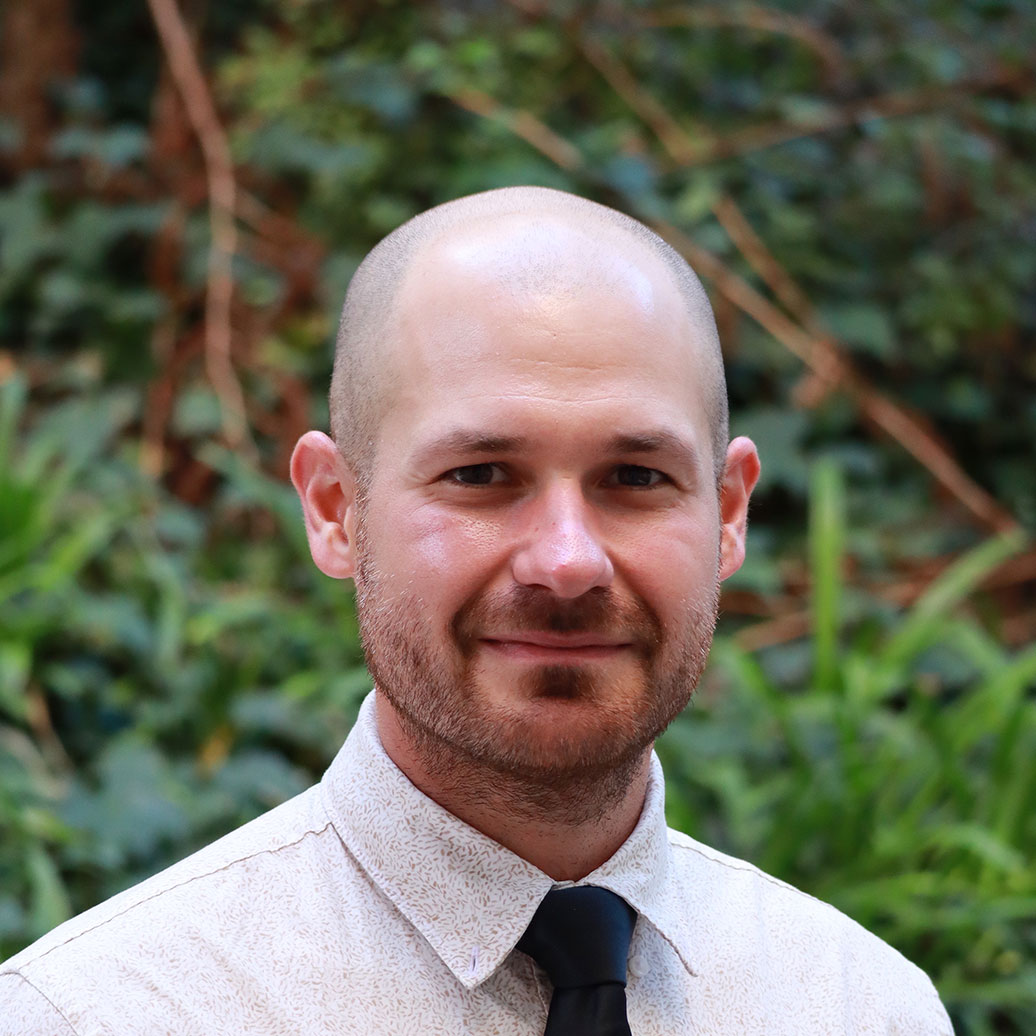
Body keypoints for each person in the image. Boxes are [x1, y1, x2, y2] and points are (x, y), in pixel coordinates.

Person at [1, 187, 952, 1034]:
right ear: (336, 509)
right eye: (481, 475)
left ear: (729, 513)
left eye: (635, 476)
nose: (568, 562)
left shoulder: (863, 1006)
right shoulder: (99, 1014)